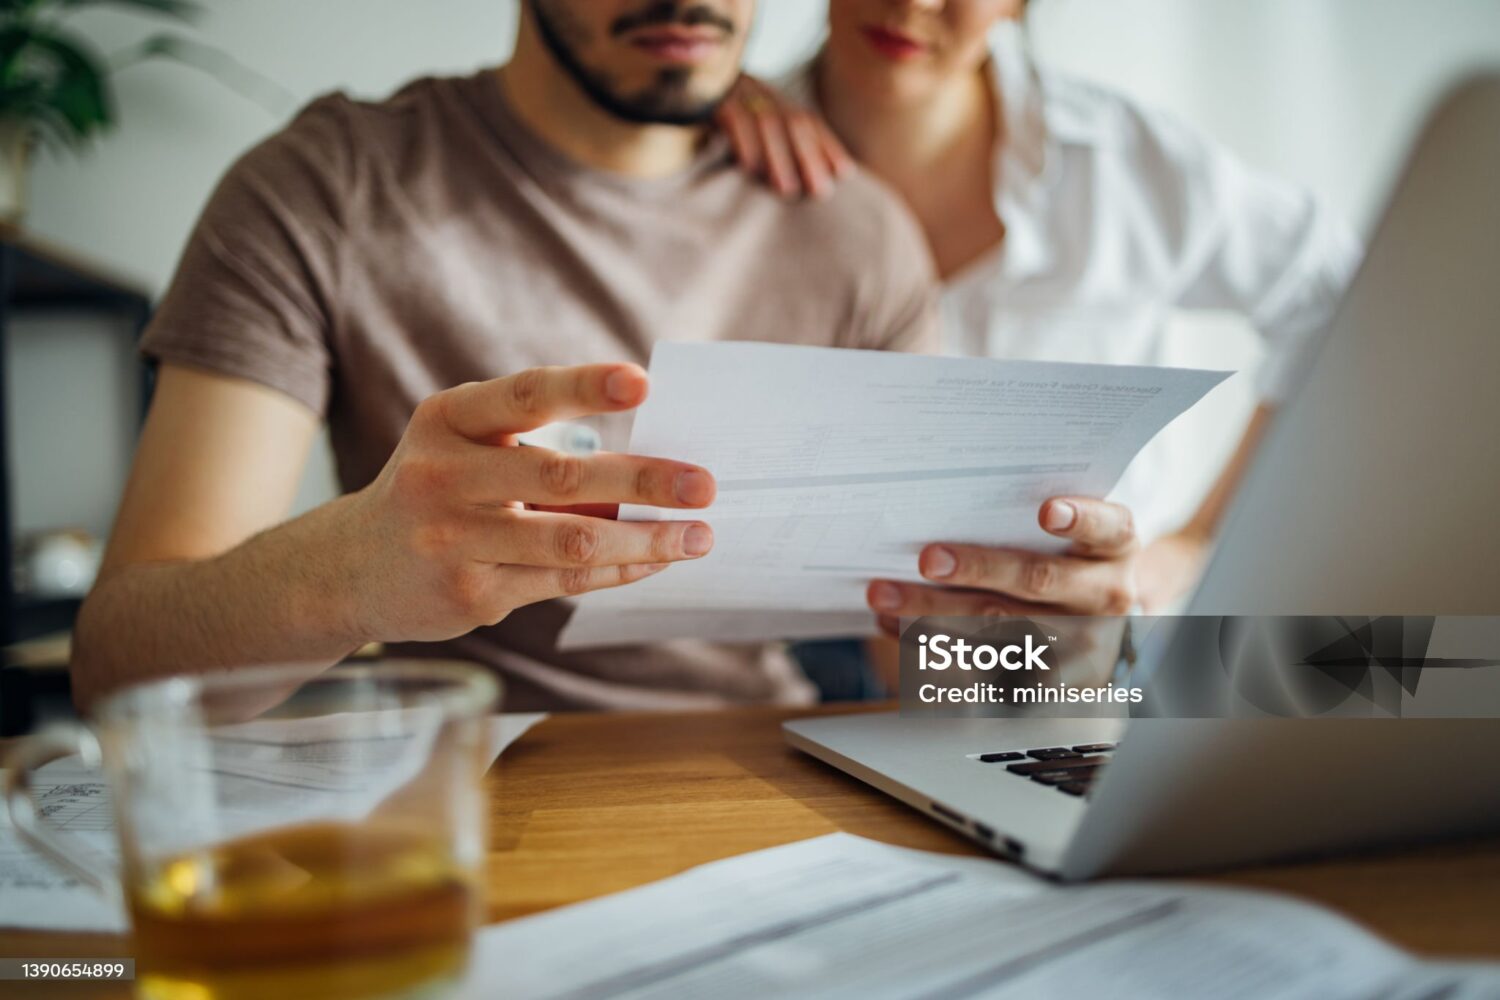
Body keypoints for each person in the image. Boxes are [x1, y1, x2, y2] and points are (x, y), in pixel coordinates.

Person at [72, 0, 947, 711]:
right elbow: (120, 669)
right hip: (461, 794)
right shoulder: (324, 190)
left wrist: (1033, 646)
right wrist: (353, 574)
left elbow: (945, 685)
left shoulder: (853, 233)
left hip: (766, 782)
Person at [718, 0, 1361, 644]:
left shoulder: (1124, 166)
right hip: (773, 667)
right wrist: (693, 105)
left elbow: (1338, 295)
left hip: (1063, 664)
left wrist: (1194, 546)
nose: (913, 3)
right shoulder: (702, 143)